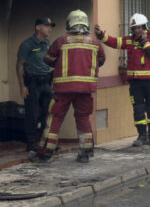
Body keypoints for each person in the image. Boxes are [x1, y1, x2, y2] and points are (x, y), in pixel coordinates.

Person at [32, 9, 105, 164]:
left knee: (55, 118)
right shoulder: (95, 42)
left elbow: (48, 59)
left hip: (63, 90)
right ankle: (85, 152)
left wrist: (60, 63)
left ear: (69, 23)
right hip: (85, 90)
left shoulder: (61, 41)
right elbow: (101, 60)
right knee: (83, 118)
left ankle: (45, 153)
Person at [94, 14, 150, 147]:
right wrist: (101, 35)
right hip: (135, 82)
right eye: (135, 28)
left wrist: (144, 42)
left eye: (139, 27)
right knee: (138, 109)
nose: (137, 30)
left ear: (145, 26)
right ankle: (141, 136)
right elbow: (115, 42)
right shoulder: (130, 40)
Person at [16, 17, 55, 155]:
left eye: (51, 26)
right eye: (47, 26)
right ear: (38, 27)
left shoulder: (47, 43)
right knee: (32, 114)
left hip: (46, 82)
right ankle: (32, 144)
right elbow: (20, 66)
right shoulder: (27, 44)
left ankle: (43, 143)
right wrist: (22, 86)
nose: (50, 29)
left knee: (46, 113)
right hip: (33, 84)